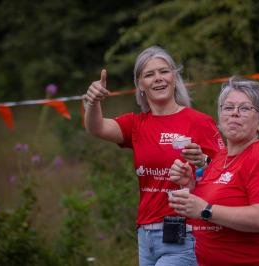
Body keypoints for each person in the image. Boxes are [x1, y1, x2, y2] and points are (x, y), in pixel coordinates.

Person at [83, 46, 224, 266]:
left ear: (174, 77)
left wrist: (204, 162)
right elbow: (97, 128)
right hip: (145, 235)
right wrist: (92, 102)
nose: (158, 78)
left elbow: (228, 169)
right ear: (140, 85)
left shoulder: (198, 122)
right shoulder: (136, 124)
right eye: (149, 74)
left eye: (164, 71)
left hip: (184, 232)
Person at [168, 77, 259, 265]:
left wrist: (205, 210)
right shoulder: (219, 158)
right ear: (220, 118)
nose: (234, 114)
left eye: (244, 108)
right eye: (228, 108)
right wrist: (190, 185)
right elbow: (212, 202)